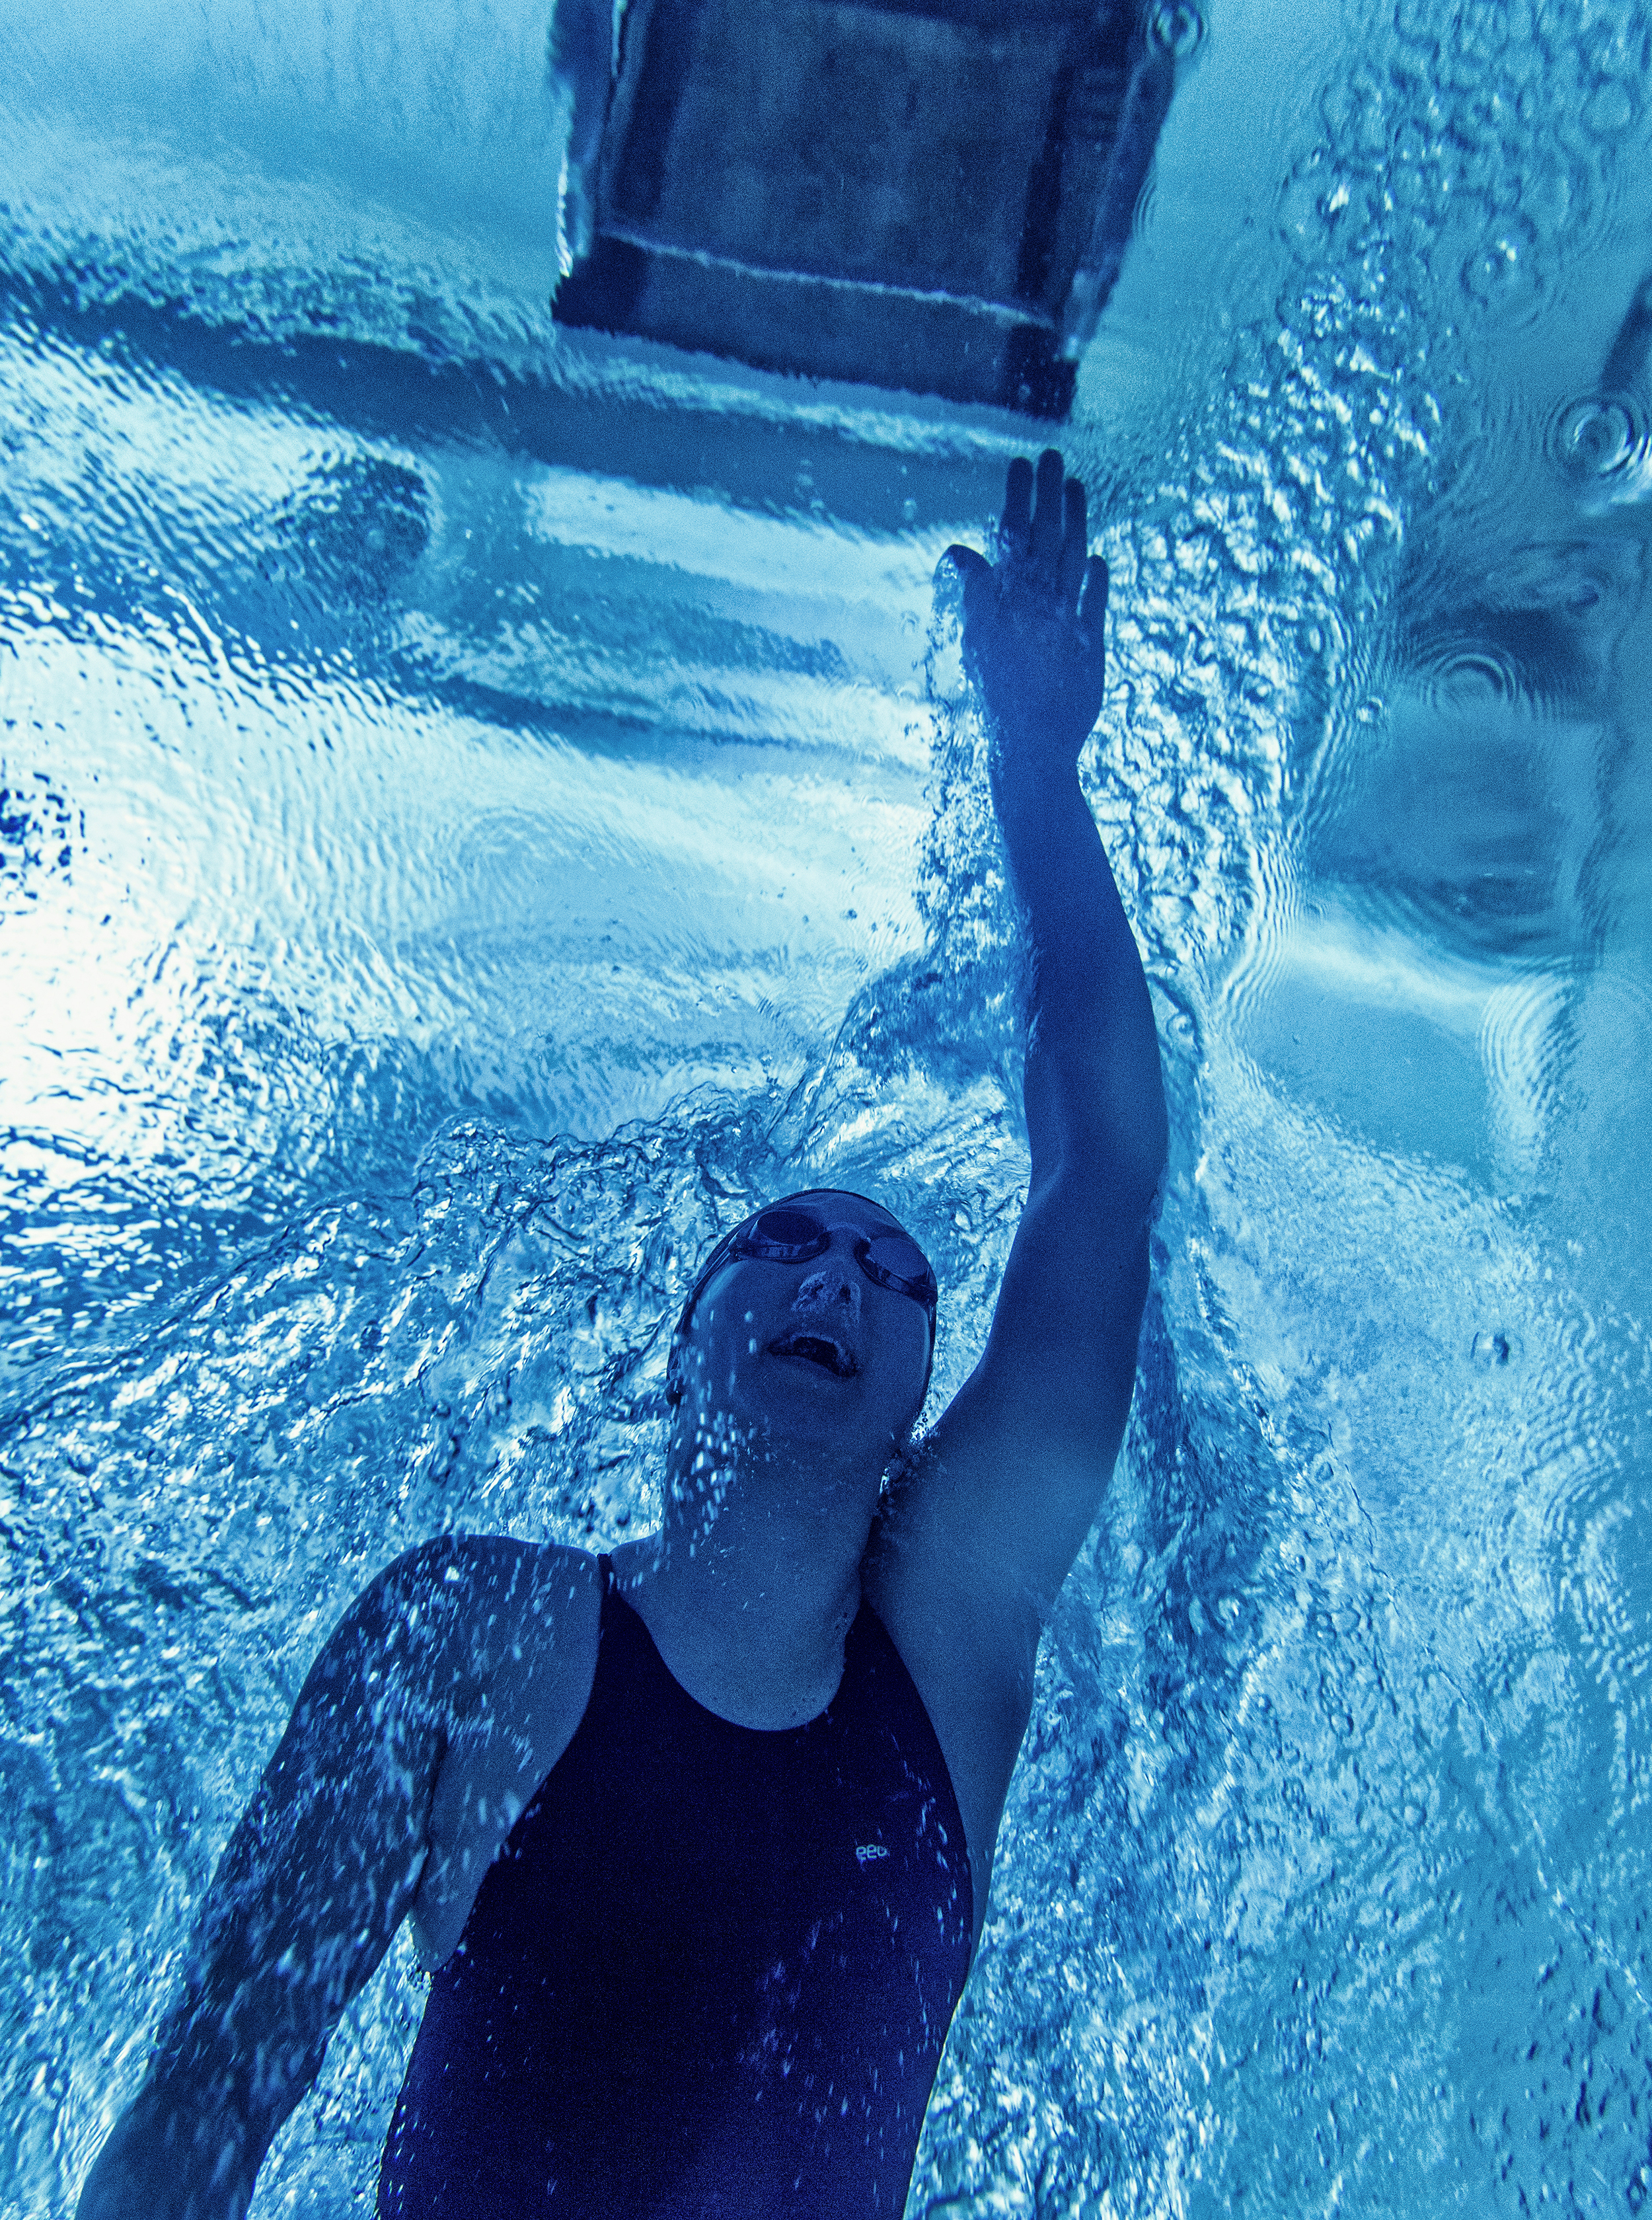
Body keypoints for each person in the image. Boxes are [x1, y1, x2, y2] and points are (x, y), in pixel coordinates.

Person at [75, 449, 1168, 2220]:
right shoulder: (478, 1630)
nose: (838, 1282)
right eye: (786, 1244)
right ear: (679, 1351)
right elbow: (212, 2091)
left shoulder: (947, 1658)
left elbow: (1102, 1174)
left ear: (916, 1407)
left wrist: (1038, 764)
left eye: (895, 1281)